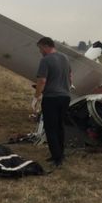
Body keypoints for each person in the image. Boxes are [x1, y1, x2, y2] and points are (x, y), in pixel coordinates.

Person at [33, 37, 71, 167]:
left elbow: (42, 81)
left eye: (40, 48)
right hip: (65, 97)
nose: (40, 51)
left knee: (50, 128)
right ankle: (61, 154)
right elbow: (70, 77)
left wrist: (36, 97)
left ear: (45, 46)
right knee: (60, 127)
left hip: (51, 98)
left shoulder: (45, 60)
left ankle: (57, 158)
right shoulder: (65, 58)